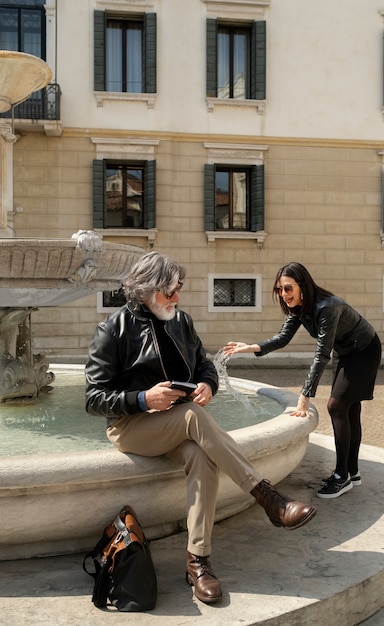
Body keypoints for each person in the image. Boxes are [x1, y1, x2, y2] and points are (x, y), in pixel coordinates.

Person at [85, 252, 317, 605]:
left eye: (178, 290)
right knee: (193, 416)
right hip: (131, 425)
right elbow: (94, 398)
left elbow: (204, 366)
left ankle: (198, 562)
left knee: (201, 457)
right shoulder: (112, 329)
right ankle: (269, 499)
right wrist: (144, 398)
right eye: (169, 292)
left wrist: (209, 384)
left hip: (177, 424)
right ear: (146, 290)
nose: (177, 298)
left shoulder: (181, 322)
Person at [223, 261, 381, 500]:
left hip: (364, 350)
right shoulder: (300, 308)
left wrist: (304, 395)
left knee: (337, 406)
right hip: (346, 351)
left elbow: (321, 355)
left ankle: (342, 476)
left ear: (302, 286)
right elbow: (282, 338)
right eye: (280, 289)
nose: (283, 294)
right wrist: (250, 347)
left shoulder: (327, 307)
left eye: (288, 288)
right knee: (349, 408)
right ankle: (352, 471)